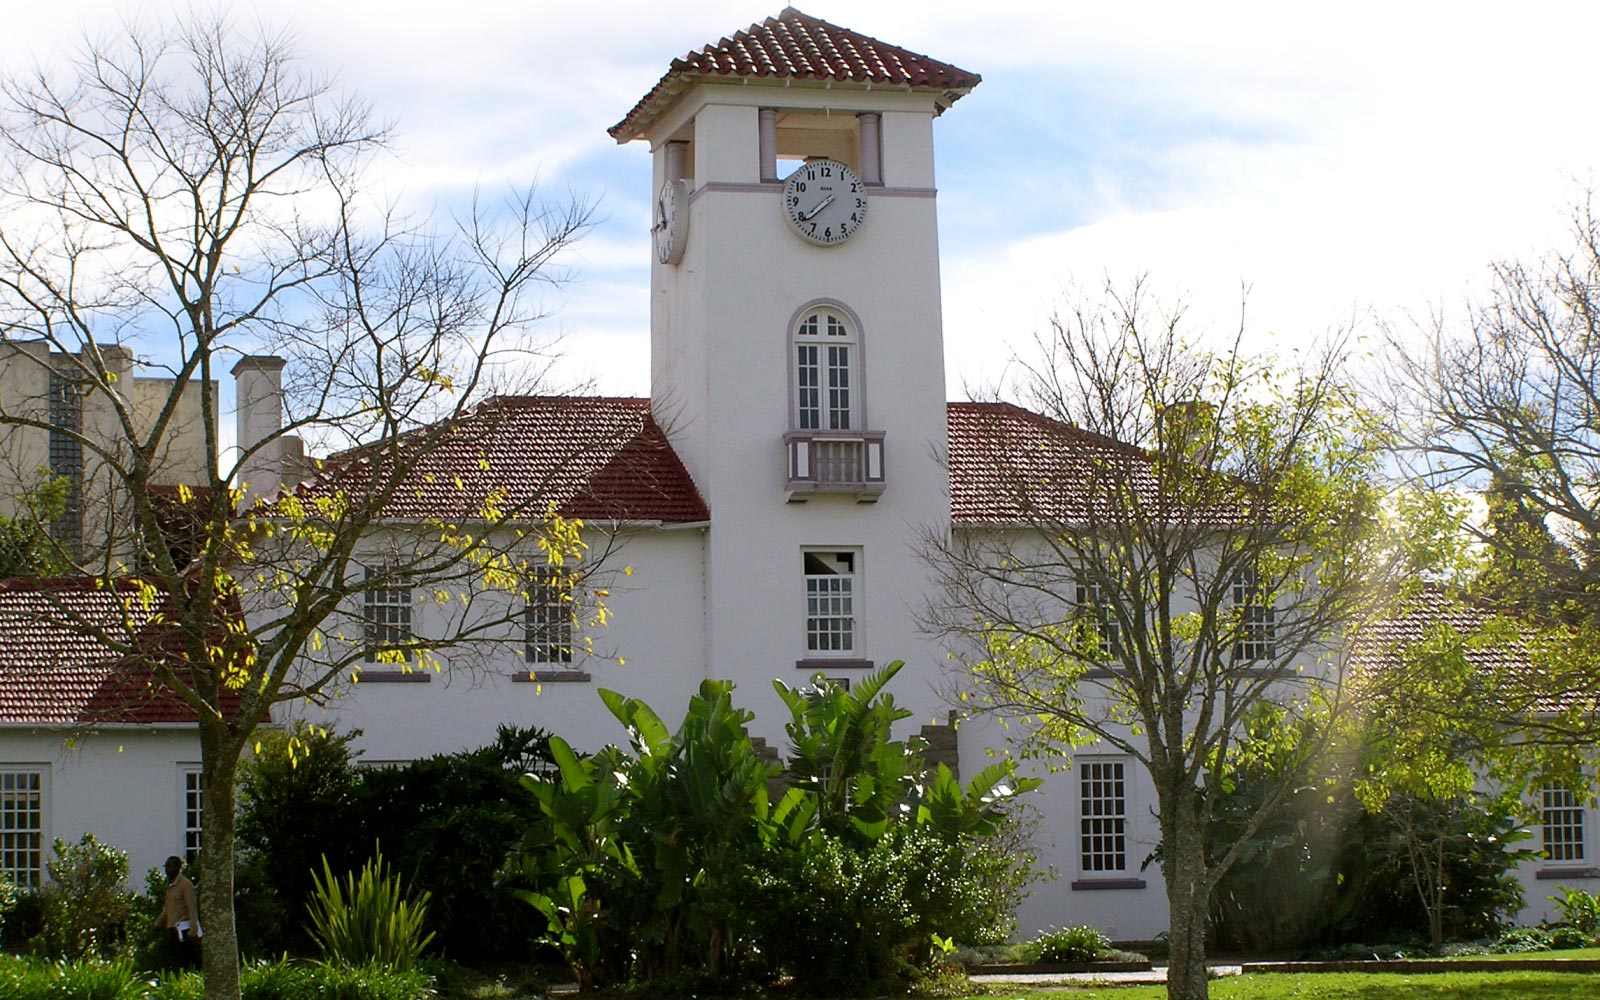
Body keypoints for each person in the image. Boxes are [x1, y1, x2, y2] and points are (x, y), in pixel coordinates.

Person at [156, 855, 202, 968]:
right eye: (166, 867)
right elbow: (167, 908)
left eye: (169, 866)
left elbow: (191, 907)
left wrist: (193, 930)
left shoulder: (185, 885)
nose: (166, 870)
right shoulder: (171, 886)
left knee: (187, 961)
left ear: (177, 867)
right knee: (174, 961)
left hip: (185, 929)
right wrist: (157, 924)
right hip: (173, 929)